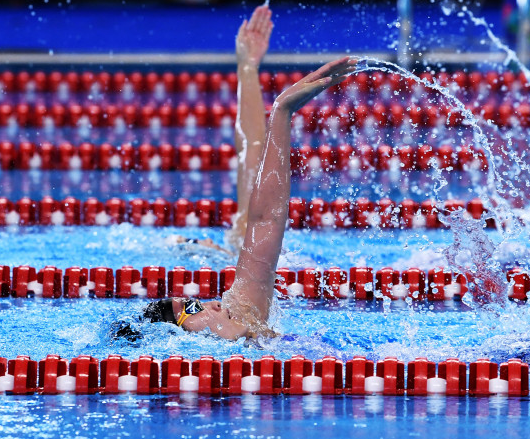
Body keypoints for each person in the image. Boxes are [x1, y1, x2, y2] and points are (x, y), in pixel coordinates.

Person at [115, 56, 357, 341]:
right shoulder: (238, 336)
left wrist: (281, 110)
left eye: (196, 302)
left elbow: (265, 218)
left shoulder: (245, 320)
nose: (216, 302)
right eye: (193, 306)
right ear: (171, 336)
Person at [165, 5, 273, 254]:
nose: (208, 241)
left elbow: (253, 150)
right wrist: (247, 68)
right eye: (198, 243)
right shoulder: (249, 249)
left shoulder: (245, 246)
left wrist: (247, 67)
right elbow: (253, 151)